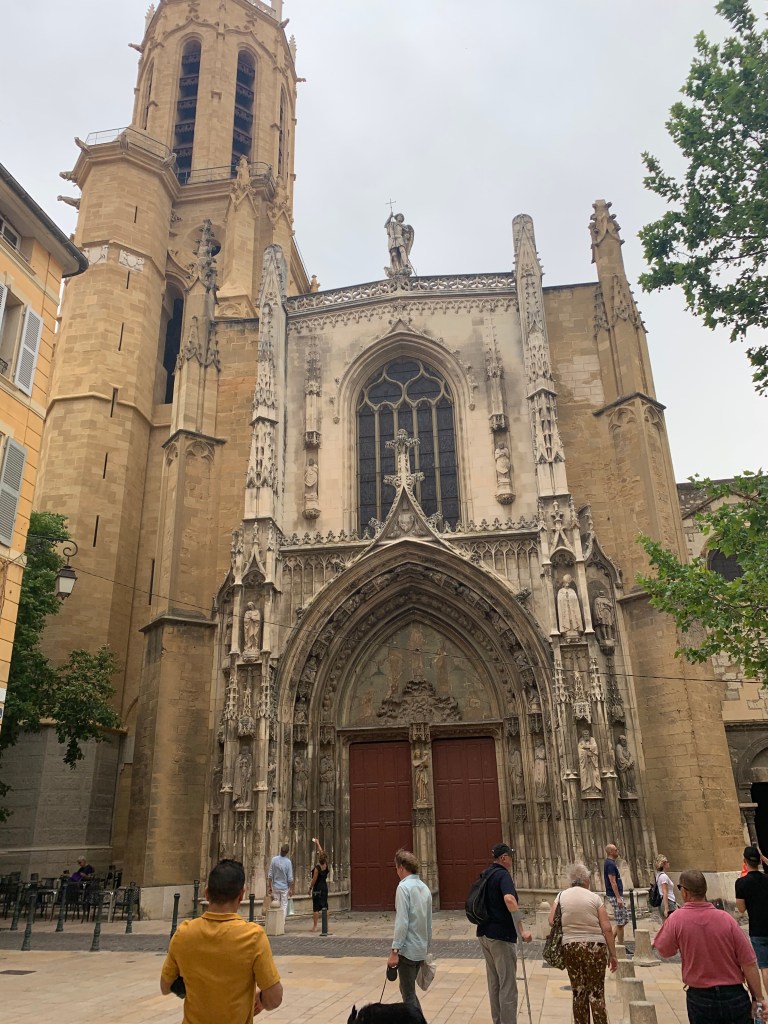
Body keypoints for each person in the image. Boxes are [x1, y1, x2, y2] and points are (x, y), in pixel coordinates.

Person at [161, 859, 283, 1023]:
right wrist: (260, 1000)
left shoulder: (184, 933)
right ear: (241, 895)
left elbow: (165, 986)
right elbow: (275, 998)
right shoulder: (253, 937)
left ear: (206, 893)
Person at [653, 868, 767, 1024]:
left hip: (700, 998)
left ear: (685, 893)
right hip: (734, 995)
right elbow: (749, 964)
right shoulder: (727, 919)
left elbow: (664, 951)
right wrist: (758, 1001)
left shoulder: (676, 920)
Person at [548, 862, 617, 1024]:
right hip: (595, 947)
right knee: (597, 992)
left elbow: (551, 920)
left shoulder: (561, 896)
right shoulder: (594, 898)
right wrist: (613, 954)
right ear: (586, 880)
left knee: (578, 992)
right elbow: (606, 928)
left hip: (571, 947)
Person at [476, 843, 533, 1024]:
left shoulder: (486, 874)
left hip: (484, 934)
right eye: (510, 856)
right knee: (508, 985)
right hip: (501, 936)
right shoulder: (503, 875)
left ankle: (498, 1021)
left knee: (494, 983)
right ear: (504, 858)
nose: (512, 859)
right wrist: (521, 930)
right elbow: (509, 899)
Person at [387, 849, 432, 1014]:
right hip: (420, 949)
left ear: (401, 868)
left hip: (407, 951)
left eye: (396, 868)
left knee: (408, 996)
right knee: (408, 991)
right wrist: (427, 948)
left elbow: (402, 922)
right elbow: (428, 923)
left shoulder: (403, 888)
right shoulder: (424, 888)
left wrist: (394, 950)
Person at [736, 845, 768, 995]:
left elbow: (741, 909)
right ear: (760, 861)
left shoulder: (741, 883)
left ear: (744, 860)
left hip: (757, 929)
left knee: (764, 967)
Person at [603, 844, 628, 945]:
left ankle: (610, 940)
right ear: (611, 852)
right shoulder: (610, 864)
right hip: (614, 895)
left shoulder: (611, 863)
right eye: (616, 850)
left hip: (616, 895)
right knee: (621, 922)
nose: (618, 851)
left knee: (624, 919)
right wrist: (618, 897)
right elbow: (612, 881)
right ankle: (621, 945)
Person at [267, 844, 293, 919]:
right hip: (284, 887)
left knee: (275, 905)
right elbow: (290, 878)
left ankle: (276, 921)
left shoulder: (274, 860)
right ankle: (282, 922)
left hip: (275, 886)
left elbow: (270, 875)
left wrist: (270, 887)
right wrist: (290, 889)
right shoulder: (288, 862)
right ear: (287, 852)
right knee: (284, 905)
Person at [309, 836, 329, 933]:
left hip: (317, 888)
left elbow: (314, 879)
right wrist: (318, 843)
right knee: (325, 906)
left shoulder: (317, 867)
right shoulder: (326, 865)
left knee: (316, 907)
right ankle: (325, 926)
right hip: (324, 887)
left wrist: (310, 887)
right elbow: (322, 853)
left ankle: (315, 926)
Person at [654, 854, 676, 922]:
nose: (669, 863)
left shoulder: (659, 875)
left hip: (667, 901)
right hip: (668, 902)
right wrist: (666, 908)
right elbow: (665, 892)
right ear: (664, 864)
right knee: (672, 924)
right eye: (667, 862)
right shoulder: (663, 876)